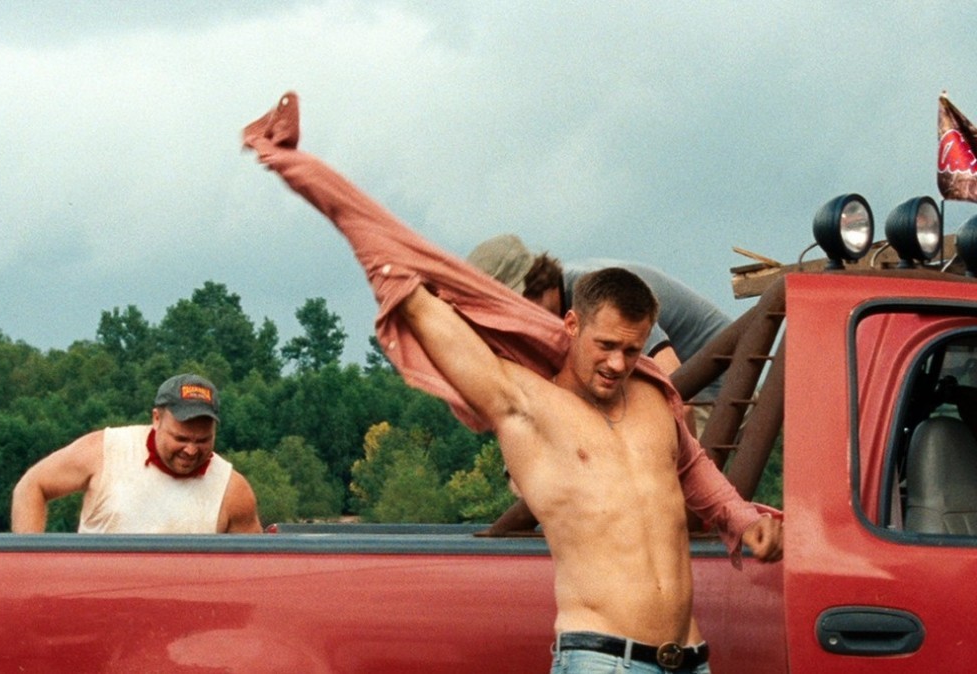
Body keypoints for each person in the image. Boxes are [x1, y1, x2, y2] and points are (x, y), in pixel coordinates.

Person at [243, 91, 782, 673]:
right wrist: (311, 179)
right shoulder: (523, 403)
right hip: (606, 660)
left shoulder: (653, 394)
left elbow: (693, 468)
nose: (618, 363)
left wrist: (741, 520)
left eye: (631, 350)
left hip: (690, 659)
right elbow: (415, 295)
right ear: (571, 325)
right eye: (605, 347)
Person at [467, 234, 733, 429]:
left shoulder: (601, 298)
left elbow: (676, 387)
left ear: (532, 288)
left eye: (512, 309)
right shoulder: (566, 301)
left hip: (720, 386)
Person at [11, 373, 262, 534]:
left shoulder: (232, 491)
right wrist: (30, 566)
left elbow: (255, 575)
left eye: (203, 441)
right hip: (97, 598)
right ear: (156, 419)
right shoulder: (105, 451)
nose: (191, 450)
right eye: (181, 438)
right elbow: (32, 485)